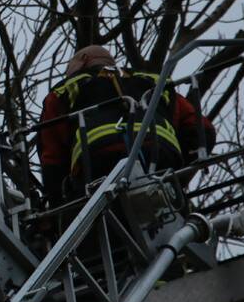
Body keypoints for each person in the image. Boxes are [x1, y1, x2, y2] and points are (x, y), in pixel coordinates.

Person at [37, 46, 215, 209]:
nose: (67, 73)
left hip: (98, 161)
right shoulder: (155, 81)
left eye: (69, 66)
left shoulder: (64, 90)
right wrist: (179, 174)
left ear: (83, 59)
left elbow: (52, 156)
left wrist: (57, 206)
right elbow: (202, 128)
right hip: (159, 154)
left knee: (86, 226)